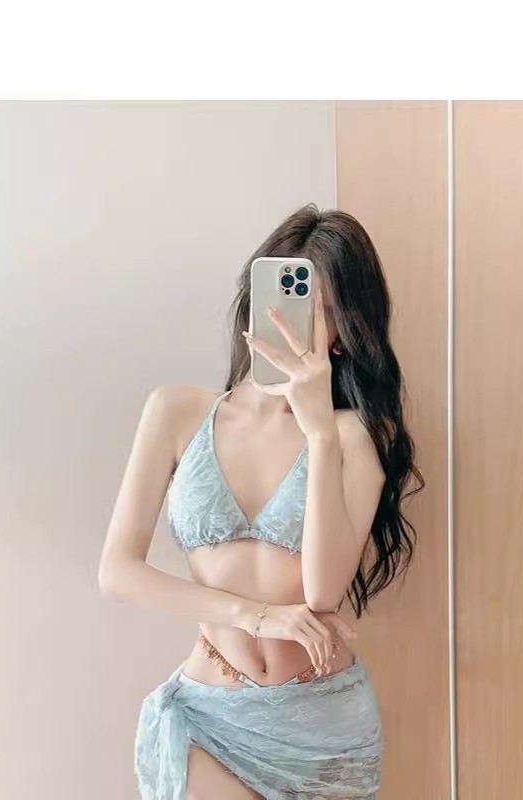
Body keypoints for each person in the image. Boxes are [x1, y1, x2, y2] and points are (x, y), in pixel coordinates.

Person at [98, 203, 424, 799]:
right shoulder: (176, 412)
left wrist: (319, 433)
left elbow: (322, 593)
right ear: (255, 299)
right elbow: (118, 572)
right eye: (288, 297)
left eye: (323, 312)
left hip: (323, 725)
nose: (295, 323)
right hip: (209, 714)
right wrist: (256, 615)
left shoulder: (351, 437)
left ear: (343, 335)